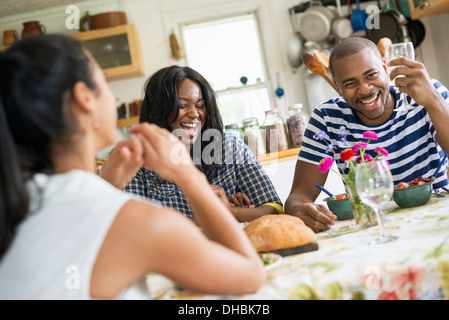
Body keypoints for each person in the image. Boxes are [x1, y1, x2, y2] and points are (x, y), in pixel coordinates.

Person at [0, 34, 266, 299]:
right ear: (84, 98)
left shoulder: (14, 201)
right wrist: (188, 176)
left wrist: (105, 183)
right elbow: (251, 276)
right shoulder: (135, 221)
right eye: (104, 80)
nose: (114, 96)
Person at [285, 37, 449, 233]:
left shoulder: (427, 92)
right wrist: (300, 209)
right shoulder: (327, 117)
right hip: (371, 229)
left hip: (436, 219)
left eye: (371, 75)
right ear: (337, 87)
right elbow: (298, 195)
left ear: (386, 68)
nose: (364, 89)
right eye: (350, 83)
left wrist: (432, 101)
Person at [124, 65, 283, 222]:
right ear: (160, 109)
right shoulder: (137, 162)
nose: (195, 114)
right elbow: (131, 230)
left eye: (200, 106)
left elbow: (274, 210)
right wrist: (209, 214)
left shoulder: (230, 147)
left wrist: (230, 211)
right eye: (183, 105)